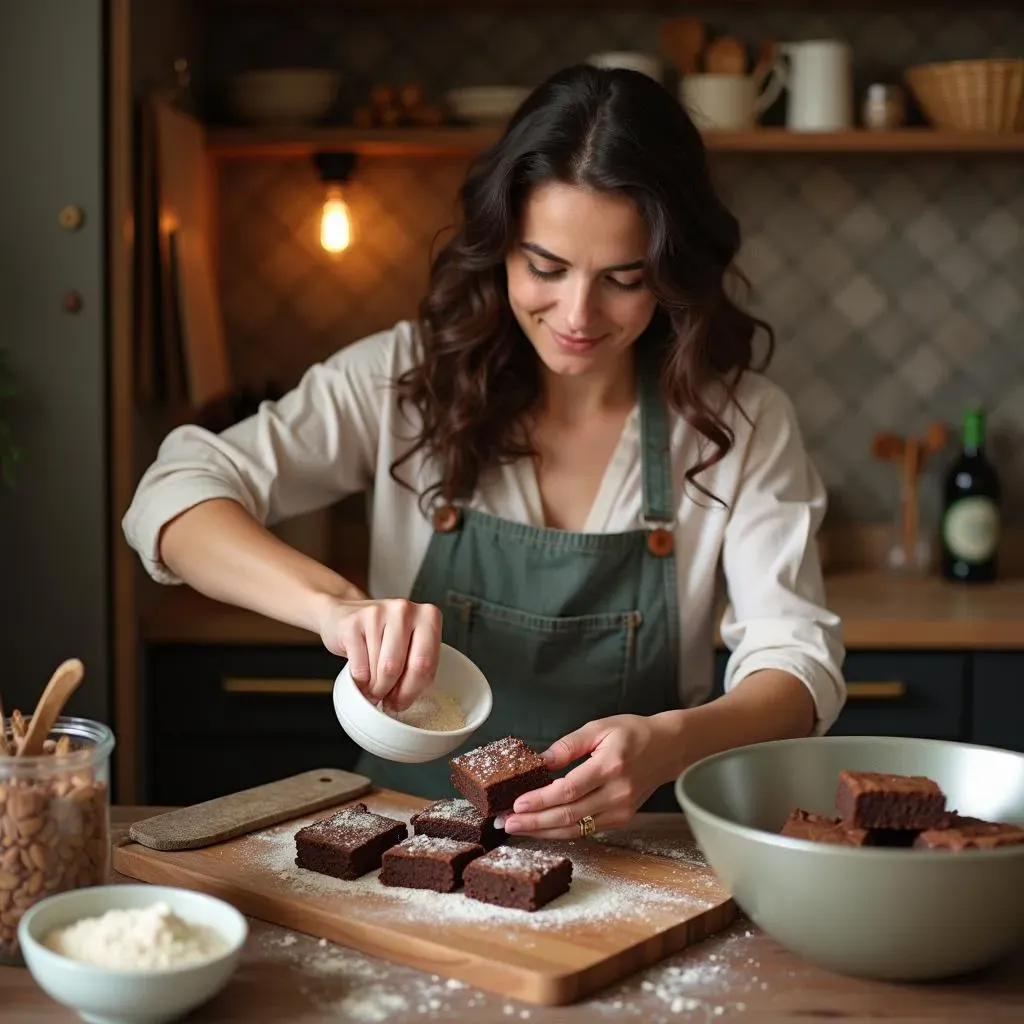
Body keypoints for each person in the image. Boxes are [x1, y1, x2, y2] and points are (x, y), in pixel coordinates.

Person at [123, 63, 845, 840]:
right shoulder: (404, 382)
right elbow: (172, 494)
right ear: (499, 246)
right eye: (546, 267)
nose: (577, 313)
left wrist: (673, 742)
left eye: (623, 279)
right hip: (402, 840)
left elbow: (797, 661)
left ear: (672, 274)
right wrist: (333, 608)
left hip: (641, 849)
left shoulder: (740, 422)